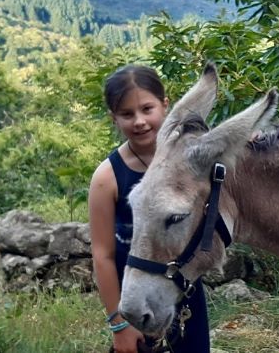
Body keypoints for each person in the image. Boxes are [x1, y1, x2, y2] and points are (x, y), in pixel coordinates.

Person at [88, 64, 210, 353]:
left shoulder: (189, 162)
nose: (139, 121)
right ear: (113, 118)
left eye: (147, 109)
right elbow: (102, 255)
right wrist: (119, 325)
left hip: (186, 298)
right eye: (127, 114)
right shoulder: (107, 178)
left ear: (165, 105)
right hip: (135, 304)